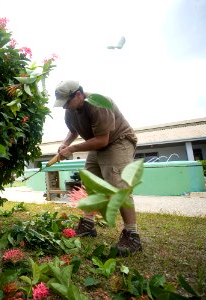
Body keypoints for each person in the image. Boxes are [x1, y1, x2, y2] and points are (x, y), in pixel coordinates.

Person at [54, 80, 142, 256]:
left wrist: (72, 149)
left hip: (118, 141)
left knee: (119, 186)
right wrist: (65, 143)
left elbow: (103, 139)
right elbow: (73, 131)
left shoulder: (99, 103)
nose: (65, 108)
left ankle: (132, 235)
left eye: (67, 103)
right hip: (99, 144)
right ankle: (88, 225)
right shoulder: (70, 111)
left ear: (78, 94)